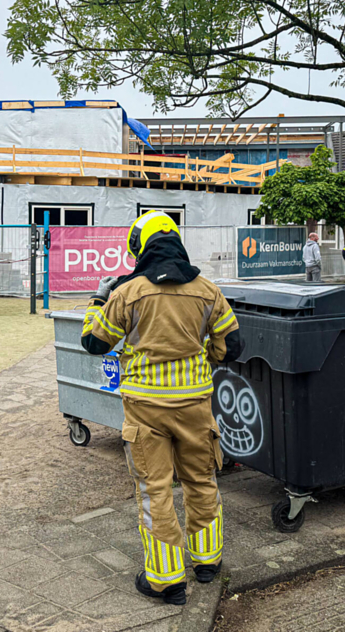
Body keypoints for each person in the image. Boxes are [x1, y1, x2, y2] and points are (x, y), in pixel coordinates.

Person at [81, 211, 244, 606]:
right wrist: (199, 353)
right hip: (195, 405)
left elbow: (94, 342)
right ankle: (207, 562)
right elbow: (231, 347)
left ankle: (167, 580)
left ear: (141, 246)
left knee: (155, 491)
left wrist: (98, 298)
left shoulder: (127, 292)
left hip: (145, 410)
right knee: (201, 480)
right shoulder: (207, 291)